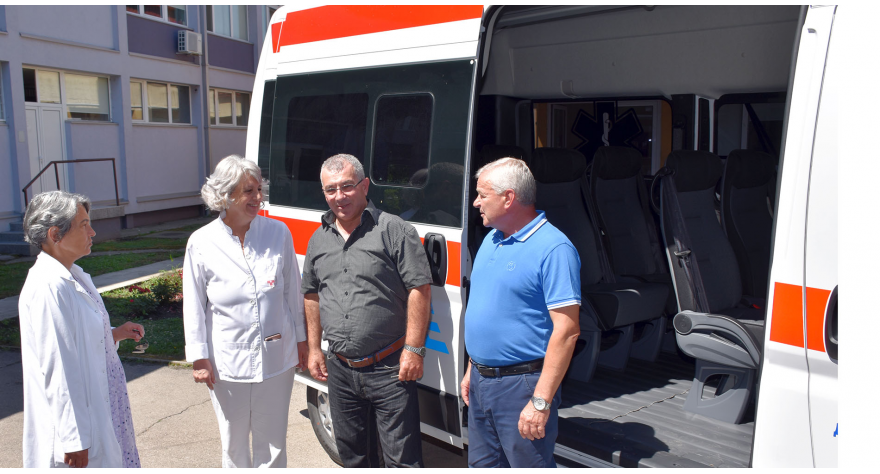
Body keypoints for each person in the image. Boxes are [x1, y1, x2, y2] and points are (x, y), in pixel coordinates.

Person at [302, 154, 432, 468]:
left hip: (390, 369)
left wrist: (414, 349)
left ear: (364, 186)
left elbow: (420, 289)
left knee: (401, 461)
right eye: (330, 190)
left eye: (346, 187)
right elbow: (311, 294)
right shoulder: (319, 239)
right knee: (353, 458)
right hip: (340, 369)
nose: (339, 196)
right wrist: (313, 349)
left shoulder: (395, 230)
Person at [182, 154, 308, 468]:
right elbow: (194, 304)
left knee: (274, 446)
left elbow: (294, 293)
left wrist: (303, 343)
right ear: (225, 195)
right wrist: (199, 356)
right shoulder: (202, 242)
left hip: (276, 359)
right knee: (234, 446)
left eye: (258, 189)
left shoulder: (278, 233)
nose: (258, 197)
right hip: (226, 364)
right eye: (248, 191)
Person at [460, 157, 581, 468]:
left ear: (508, 197)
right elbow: (492, 310)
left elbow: (567, 331)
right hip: (482, 381)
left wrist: (540, 402)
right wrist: (473, 366)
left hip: (521, 387)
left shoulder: (554, 249)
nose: (475, 203)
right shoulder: (491, 239)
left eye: (482, 195)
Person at [19, 191, 145, 468]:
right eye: (84, 224)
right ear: (55, 234)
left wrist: (114, 333)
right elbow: (58, 366)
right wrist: (74, 440)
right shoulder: (48, 286)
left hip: (105, 408)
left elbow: (79, 340)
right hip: (81, 428)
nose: (93, 231)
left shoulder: (73, 275)